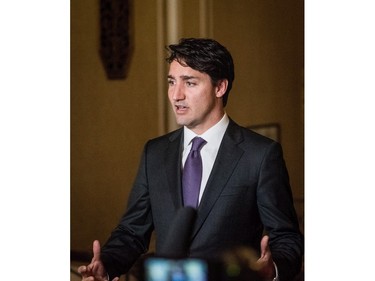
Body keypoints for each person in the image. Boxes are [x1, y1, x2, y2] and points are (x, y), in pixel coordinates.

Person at [78, 38, 303, 281]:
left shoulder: (260, 155)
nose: (176, 95)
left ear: (220, 88)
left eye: (190, 82)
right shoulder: (155, 152)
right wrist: (107, 265)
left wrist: (272, 269)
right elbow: (132, 232)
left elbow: (287, 239)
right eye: (171, 82)